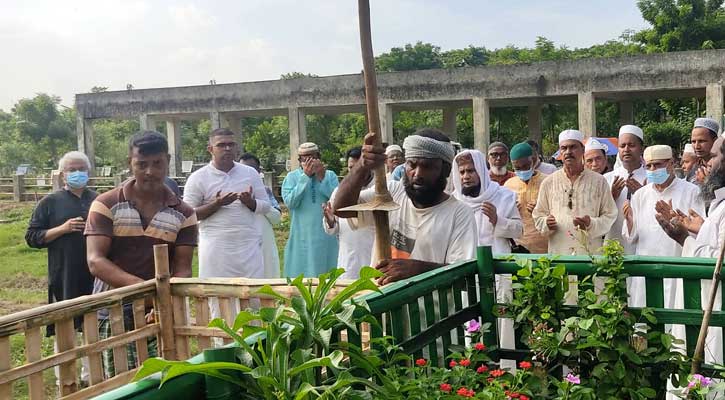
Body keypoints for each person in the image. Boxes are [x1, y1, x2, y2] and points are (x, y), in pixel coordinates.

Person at [85, 131, 198, 378]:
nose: (150, 171)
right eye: (141, 164)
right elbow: (96, 261)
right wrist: (147, 292)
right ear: (130, 163)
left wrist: (161, 302)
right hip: (113, 307)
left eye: (157, 163)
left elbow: (183, 268)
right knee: (118, 383)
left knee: (162, 380)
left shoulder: (184, 213)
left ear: (167, 161)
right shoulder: (106, 204)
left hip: (159, 310)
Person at [333, 128, 477, 285]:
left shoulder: (459, 213)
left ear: (446, 170)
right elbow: (341, 208)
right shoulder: (392, 193)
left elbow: (464, 274)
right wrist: (362, 165)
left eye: (427, 167)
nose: (417, 174)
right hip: (382, 303)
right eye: (412, 165)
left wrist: (418, 270)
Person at [25, 150, 97, 388]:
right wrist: (62, 229)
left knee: (92, 323)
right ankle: (65, 380)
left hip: (94, 272)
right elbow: (32, 237)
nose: (77, 174)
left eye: (81, 169)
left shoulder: (97, 200)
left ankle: (92, 377)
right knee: (65, 325)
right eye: (72, 170)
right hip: (63, 273)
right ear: (63, 174)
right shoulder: (50, 202)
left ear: (88, 172)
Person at [657, 135, 725, 365]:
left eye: (714, 156)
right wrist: (697, 231)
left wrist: (685, 238)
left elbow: (719, 261)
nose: (707, 162)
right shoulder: (720, 202)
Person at [622, 145, 704, 309]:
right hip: (646, 268)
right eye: (649, 166)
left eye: (658, 165)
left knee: (676, 318)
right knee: (644, 323)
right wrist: (630, 220)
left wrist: (677, 221)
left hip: (677, 266)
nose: (653, 169)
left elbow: (700, 231)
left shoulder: (691, 191)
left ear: (671, 163)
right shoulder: (640, 195)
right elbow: (631, 237)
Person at [183, 128, 271, 281]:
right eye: (221, 145)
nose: (228, 148)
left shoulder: (250, 173)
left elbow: (266, 206)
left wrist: (250, 202)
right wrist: (217, 204)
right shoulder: (198, 178)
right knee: (219, 295)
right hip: (216, 246)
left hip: (248, 244)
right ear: (210, 149)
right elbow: (188, 215)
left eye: (231, 144)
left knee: (252, 296)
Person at [532, 129, 617, 255]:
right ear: (560, 152)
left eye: (573, 147)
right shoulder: (549, 182)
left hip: (590, 255)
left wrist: (591, 224)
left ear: (583, 150)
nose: (568, 152)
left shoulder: (599, 181)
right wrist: (546, 223)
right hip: (559, 255)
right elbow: (538, 215)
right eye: (564, 148)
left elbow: (610, 215)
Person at [282, 142, 339, 277]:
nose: (308, 162)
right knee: (301, 272)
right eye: (304, 159)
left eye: (312, 158)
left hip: (325, 234)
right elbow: (291, 202)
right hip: (301, 234)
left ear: (319, 157)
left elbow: (337, 200)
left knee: (327, 271)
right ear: (299, 160)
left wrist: (321, 178)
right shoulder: (291, 178)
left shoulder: (330, 176)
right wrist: (305, 178)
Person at [451, 150, 522, 253]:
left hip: (497, 263)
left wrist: (497, 220)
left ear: (481, 171)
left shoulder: (504, 196)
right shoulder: (455, 201)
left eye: (470, 171)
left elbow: (519, 231)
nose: (465, 177)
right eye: (462, 172)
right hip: (464, 264)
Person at [322, 147, 375, 279]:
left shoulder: (379, 190)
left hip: (372, 257)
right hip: (348, 260)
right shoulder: (339, 193)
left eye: (358, 168)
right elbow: (333, 229)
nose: (355, 173)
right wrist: (330, 221)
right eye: (351, 168)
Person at [604, 125, 647, 254]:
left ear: (641, 149)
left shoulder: (650, 179)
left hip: (642, 243)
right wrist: (611, 196)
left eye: (631, 145)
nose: (626, 150)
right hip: (614, 243)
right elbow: (597, 212)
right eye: (622, 146)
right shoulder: (607, 179)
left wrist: (644, 194)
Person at [240, 153, 282, 279]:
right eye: (243, 170)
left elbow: (276, 218)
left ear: (259, 171)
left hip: (264, 244)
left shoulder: (265, 191)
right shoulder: (230, 193)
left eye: (252, 170)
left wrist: (257, 204)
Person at [504, 142, 550, 254]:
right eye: (517, 168)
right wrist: (511, 210)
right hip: (519, 246)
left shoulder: (548, 182)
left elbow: (558, 212)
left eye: (525, 166)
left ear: (533, 161)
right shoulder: (508, 185)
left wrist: (540, 210)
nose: (522, 171)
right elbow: (503, 216)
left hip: (545, 245)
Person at [689, 117, 720, 184]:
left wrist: (708, 183)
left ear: (715, 141)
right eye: (693, 142)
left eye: (701, 141)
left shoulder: (722, 168)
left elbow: (722, 194)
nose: (697, 146)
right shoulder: (694, 169)